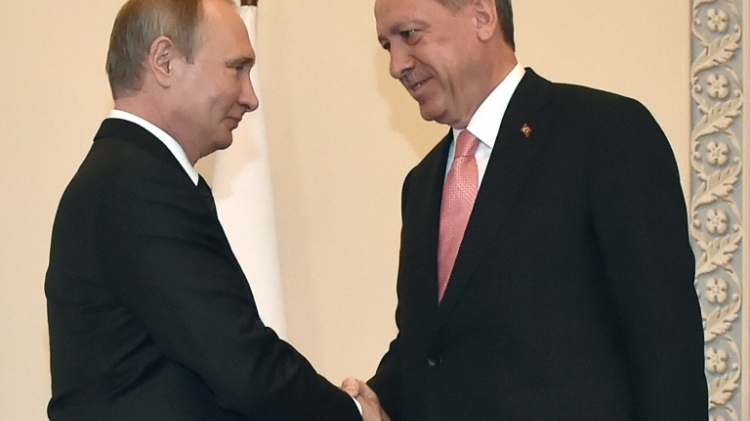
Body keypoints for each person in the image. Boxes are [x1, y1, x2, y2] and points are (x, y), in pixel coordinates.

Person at [342, 0, 709, 420]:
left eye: (409, 35)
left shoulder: (604, 132)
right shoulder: (422, 184)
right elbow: (429, 347)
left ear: (482, 16)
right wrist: (361, 403)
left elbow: (665, 341)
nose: (396, 64)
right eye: (386, 45)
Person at [45, 0, 370, 419]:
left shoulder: (129, 176)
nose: (251, 98)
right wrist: (353, 413)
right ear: (165, 62)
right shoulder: (137, 184)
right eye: (236, 68)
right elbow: (241, 366)